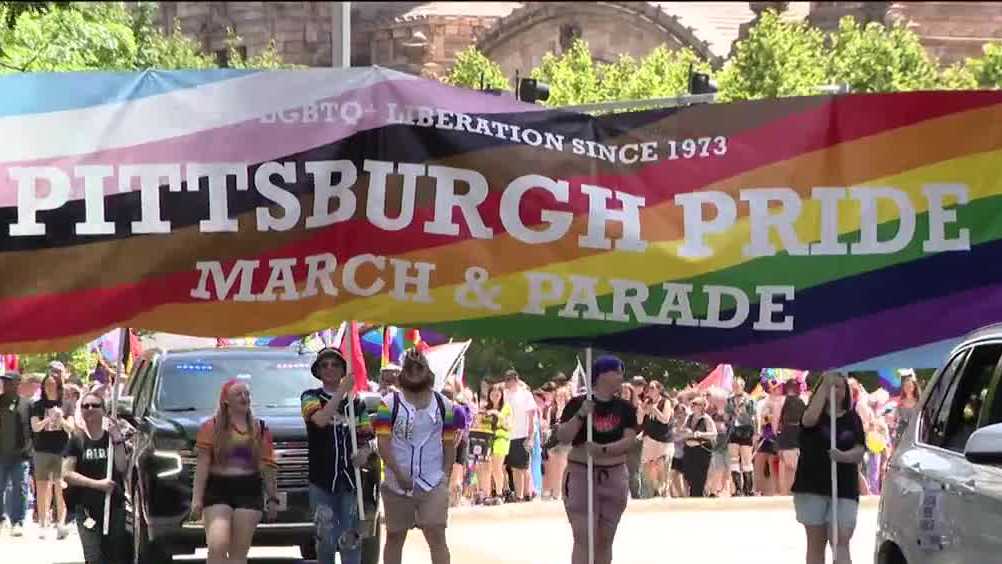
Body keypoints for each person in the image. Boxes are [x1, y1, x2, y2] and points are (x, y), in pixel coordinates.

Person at [373, 349, 465, 564]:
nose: (415, 371)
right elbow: (383, 443)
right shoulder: (388, 404)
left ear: (428, 371)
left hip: (433, 481)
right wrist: (397, 472)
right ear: (403, 373)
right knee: (395, 535)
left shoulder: (445, 405)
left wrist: (445, 477)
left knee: (436, 534)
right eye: (410, 367)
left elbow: (449, 444)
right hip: (397, 483)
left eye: (419, 367)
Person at [556, 355, 638, 564]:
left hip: (614, 475)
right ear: (602, 374)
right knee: (584, 536)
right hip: (581, 474)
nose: (621, 376)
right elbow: (564, 436)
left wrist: (603, 449)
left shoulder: (626, 408)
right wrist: (582, 414)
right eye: (617, 371)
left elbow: (629, 441)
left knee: (605, 538)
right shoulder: (577, 403)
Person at [190, 379, 279, 564]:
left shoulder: (260, 429)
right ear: (226, 401)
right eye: (238, 394)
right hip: (218, 489)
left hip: (249, 489)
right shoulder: (211, 427)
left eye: (247, 393)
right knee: (217, 546)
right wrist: (196, 500)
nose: (244, 397)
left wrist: (272, 497)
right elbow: (202, 465)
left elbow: (267, 466)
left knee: (238, 553)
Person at [301, 347, 374, 564]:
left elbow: (366, 438)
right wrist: (342, 391)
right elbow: (321, 420)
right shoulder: (310, 397)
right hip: (321, 481)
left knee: (350, 541)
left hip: (350, 483)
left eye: (335, 364)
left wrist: (364, 453)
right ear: (318, 371)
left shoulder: (357, 403)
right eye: (324, 365)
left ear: (343, 368)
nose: (330, 368)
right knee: (325, 542)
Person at [792, 372, 866, 564]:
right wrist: (826, 383)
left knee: (840, 537)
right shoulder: (812, 415)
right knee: (816, 543)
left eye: (840, 386)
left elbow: (859, 448)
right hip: (812, 485)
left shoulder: (852, 418)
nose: (836, 390)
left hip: (844, 487)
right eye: (831, 386)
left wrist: (843, 457)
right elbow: (808, 422)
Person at [62, 391, 129, 564]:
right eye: (85, 406)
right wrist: (97, 484)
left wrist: (117, 440)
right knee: (94, 557)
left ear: (104, 411)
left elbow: (122, 467)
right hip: (86, 509)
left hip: (114, 506)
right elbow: (67, 474)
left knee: (115, 555)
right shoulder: (77, 440)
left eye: (95, 405)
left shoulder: (112, 440)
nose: (90, 409)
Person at [30, 366, 72, 539]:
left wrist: (60, 418)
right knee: (42, 487)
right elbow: (35, 427)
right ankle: (43, 523)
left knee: (60, 486)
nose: (49, 387)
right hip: (41, 449)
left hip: (61, 450)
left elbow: (72, 427)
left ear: (58, 385)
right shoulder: (37, 405)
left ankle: (61, 523)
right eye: (47, 384)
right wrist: (48, 418)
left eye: (53, 384)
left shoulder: (67, 404)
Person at [0, 371, 32, 537]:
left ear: (17, 384)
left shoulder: (26, 404)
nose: (5, 385)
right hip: (1, 455)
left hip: (20, 455)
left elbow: (31, 429)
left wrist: (30, 450)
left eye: (9, 382)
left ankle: (17, 521)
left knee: (20, 489)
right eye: (4, 382)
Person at [502, 370, 537, 503]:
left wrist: (531, 436)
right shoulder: (504, 394)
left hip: (521, 434)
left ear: (516, 379)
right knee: (505, 466)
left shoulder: (525, 394)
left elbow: (531, 417)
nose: (508, 382)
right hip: (506, 435)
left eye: (511, 379)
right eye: (507, 379)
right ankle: (513, 492)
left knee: (520, 468)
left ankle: (521, 495)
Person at [476, 384, 511, 505]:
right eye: (492, 393)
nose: (495, 396)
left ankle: (500, 493)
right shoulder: (485, 408)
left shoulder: (506, 408)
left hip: (500, 440)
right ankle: (487, 494)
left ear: (501, 395)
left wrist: (497, 414)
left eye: (497, 393)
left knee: (497, 467)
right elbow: (479, 424)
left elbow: (508, 425)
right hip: (487, 440)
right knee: (486, 468)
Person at [639, 381, 673, 498]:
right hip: (649, 439)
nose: (650, 390)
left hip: (663, 439)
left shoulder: (665, 402)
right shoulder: (647, 402)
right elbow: (639, 421)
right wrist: (641, 410)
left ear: (659, 390)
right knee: (648, 466)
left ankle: (664, 490)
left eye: (653, 388)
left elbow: (665, 419)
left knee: (661, 465)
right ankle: (656, 490)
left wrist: (654, 410)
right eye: (649, 388)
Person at [724, 378, 756, 496]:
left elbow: (754, 416)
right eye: (734, 386)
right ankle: (738, 488)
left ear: (743, 386)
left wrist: (756, 432)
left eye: (738, 386)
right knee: (734, 459)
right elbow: (726, 416)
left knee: (746, 459)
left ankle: (748, 488)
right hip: (733, 430)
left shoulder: (749, 399)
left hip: (746, 430)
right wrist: (728, 418)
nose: (735, 388)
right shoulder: (729, 400)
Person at [777, 379, 807, 495]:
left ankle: (790, 490)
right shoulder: (801, 400)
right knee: (792, 464)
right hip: (794, 432)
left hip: (789, 432)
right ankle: (791, 490)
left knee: (790, 465)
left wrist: (776, 432)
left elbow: (777, 417)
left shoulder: (783, 401)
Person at [681, 396, 716, 497]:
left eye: (696, 404)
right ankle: (695, 494)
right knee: (688, 473)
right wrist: (686, 432)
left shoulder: (706, 419)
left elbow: (713, 434)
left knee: (699, 475)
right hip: (689, 450)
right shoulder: (689, 417)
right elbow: (683, 430)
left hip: (701, 450)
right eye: (692, 404)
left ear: (702, 406)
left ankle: (698, 496)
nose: (693, 406)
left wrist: (701, 434)